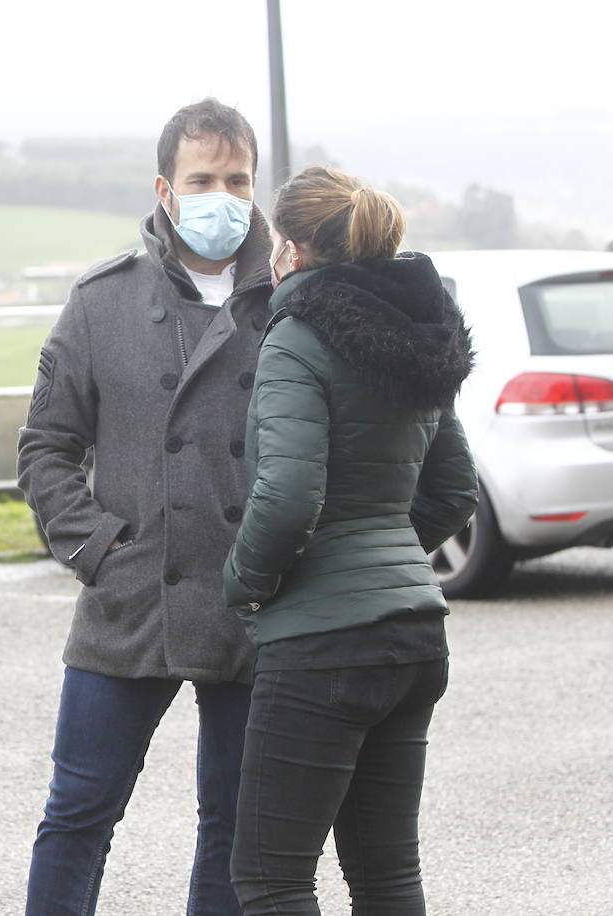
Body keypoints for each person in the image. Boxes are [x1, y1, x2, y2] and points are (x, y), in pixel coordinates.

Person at [17, 98, 273, 915]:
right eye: (203, 179)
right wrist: (96, 547)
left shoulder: (298, 301)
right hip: (130, 598)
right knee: (78, 815)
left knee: (234, 827)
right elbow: (45, 447)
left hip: (253, 599)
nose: (222, 196)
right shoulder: (102, 302)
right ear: (165, 188)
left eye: (238, 179)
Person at [223, 167, 477, 914]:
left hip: (324, 644)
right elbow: (454, 490)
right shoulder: (416, 337)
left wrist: (246, 585)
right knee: (387, 875)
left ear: (295, 249)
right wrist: (387, 551)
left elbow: (289, 496)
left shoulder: (297, 337)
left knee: (271, 879)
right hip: (414, 636)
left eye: (274, 240)